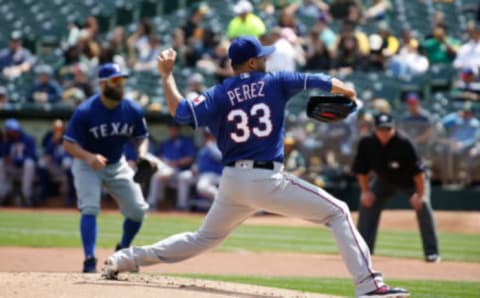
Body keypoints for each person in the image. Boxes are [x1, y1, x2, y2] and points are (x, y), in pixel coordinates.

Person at [102, 36, 409, 297]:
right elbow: (322, 81)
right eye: (261, 57)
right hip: (266, 180)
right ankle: (369, 285)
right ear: (250, 63)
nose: (265, 60)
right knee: (338, 211)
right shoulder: (275, 82)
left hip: (233, 181)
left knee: (202, 238)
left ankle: (125, 258)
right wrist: (348, 93)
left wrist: (167, 75)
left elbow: (181, 113)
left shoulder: (219, 93)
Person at [63, 63, 150, 273]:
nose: (120, 85)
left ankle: (123, 249)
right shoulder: (85, 111)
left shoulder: (133, 109)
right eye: (115, 80)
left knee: (138, 211)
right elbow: (68, 144)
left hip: (116, 163)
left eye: (122, 80)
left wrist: (142, 154)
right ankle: (89, 260)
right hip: (87, 164)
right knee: (90, 208)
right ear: (102, 84)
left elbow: (142, 138)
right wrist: (89, 157)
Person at [352, 112, 441, 263]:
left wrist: (419, 195)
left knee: (423, 205)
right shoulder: (367, 143)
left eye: (388, 129)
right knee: (367, 202)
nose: (384, 133)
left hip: (412, 182)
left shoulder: (403, 142)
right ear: (375, 129)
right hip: (384, 181)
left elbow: (419, 173)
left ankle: (432, 253)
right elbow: (361, 170)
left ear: (393, 128)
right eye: (381, 129)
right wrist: (366, 191)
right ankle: (363, 250)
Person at [146, 122, 196, 211]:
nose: (172, 130)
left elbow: (190, 158)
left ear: (178, 129)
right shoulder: (166, 143)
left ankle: (182, 206)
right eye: (171, 128)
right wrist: (163, 161)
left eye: (174, 128)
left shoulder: (186, 141)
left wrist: (175, 162)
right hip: (167, 170)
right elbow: (159, 157)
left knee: (183, 177)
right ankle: (152, 204)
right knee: (156, 176)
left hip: (181, 170)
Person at [0, 119, 37, 206]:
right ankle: (3, 194)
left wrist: (14, 160)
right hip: (12, 169)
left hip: (24, 169)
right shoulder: (7, 141)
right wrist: (3, 142)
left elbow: (32, 156)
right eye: (11, 131)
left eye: (15, 130)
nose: (14, 132)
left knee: (29, 163)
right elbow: (3, 156)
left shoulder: (28, 139)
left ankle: (26, 195)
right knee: (0, 162)